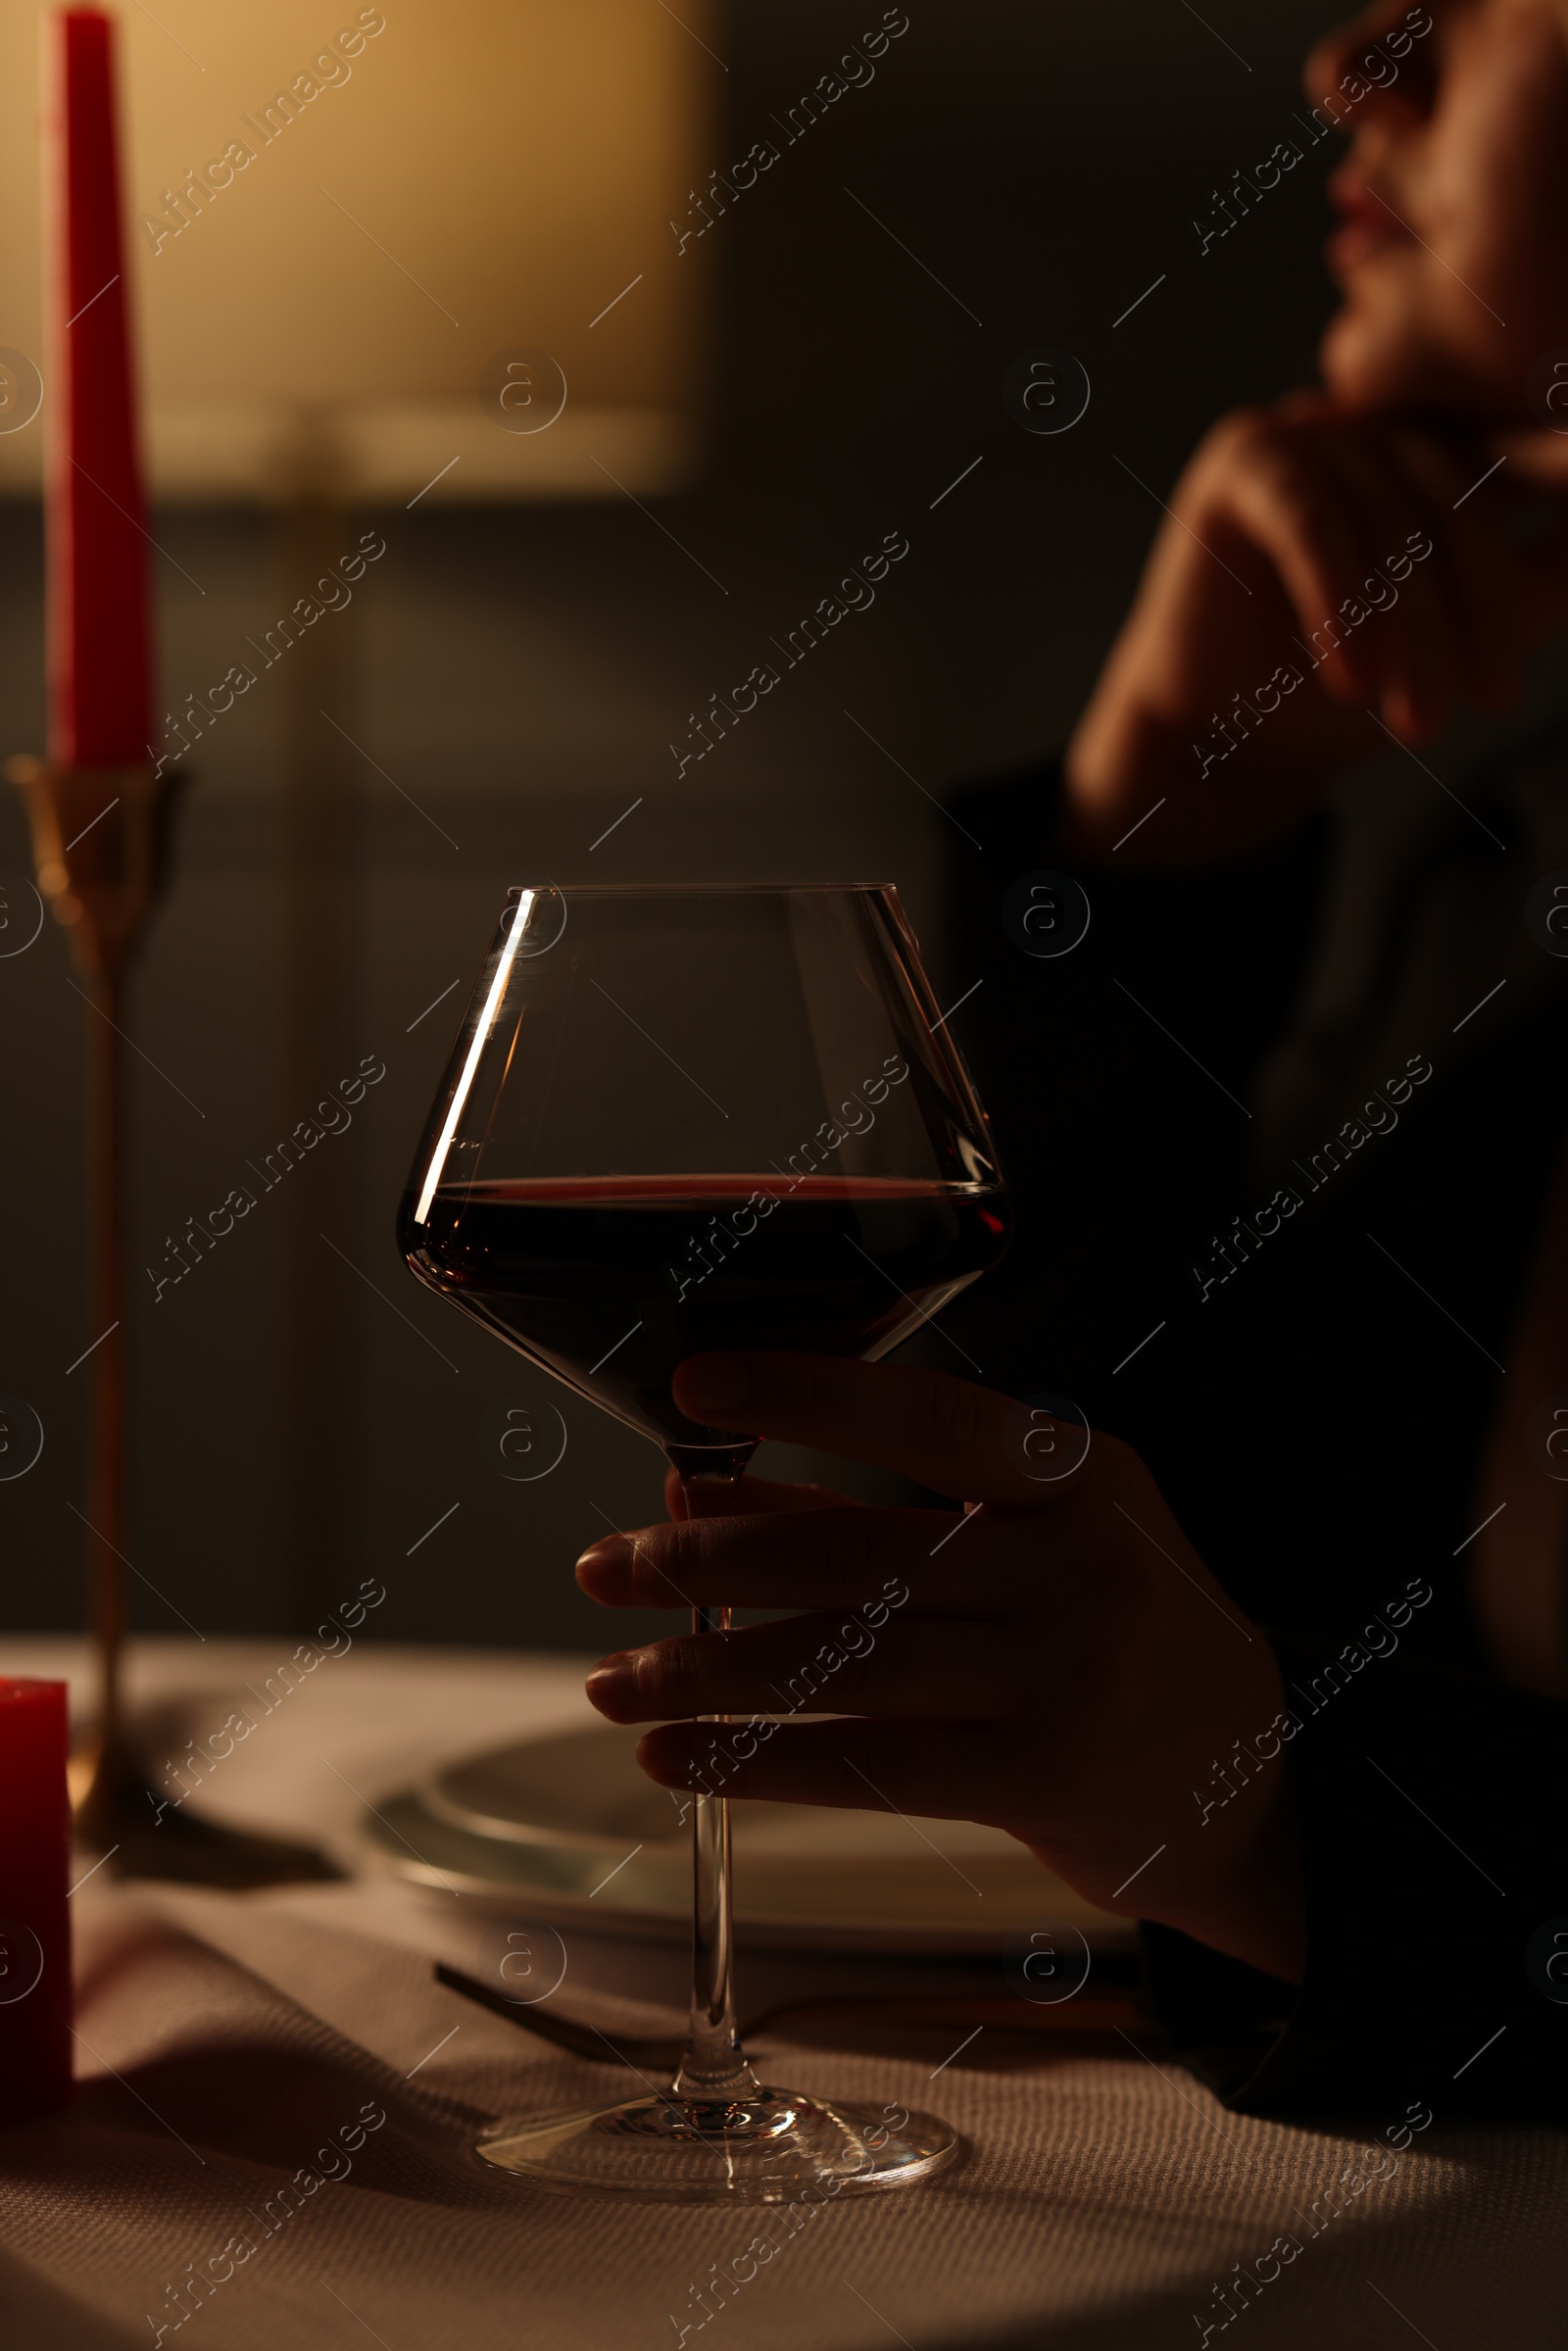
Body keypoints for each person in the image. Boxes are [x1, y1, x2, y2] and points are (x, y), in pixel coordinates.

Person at [576, 0, 1568, 2114]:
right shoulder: (1511, 861)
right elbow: (1081, 1565)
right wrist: (1160, 823)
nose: (1348, 65)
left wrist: (1278, 1841)